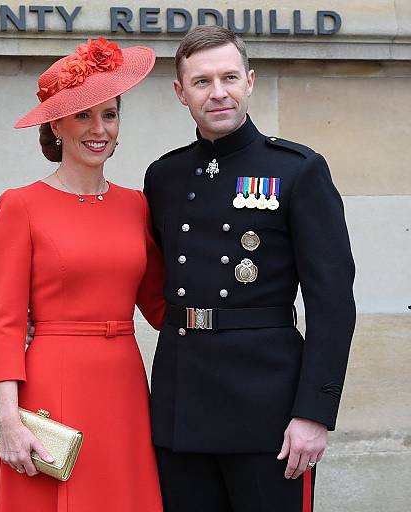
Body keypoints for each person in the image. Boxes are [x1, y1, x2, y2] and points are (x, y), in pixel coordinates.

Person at [143, 26, 356, 512]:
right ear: (181, 92)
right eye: (201, 82)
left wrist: (314, 413)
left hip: (270, 412)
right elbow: (144, 273)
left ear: (250, 82)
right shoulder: (165, 176)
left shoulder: (297, 169)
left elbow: (333, 305)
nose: (218, 93)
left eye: (229, 77)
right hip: (182, 402)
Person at [0, 37, 165, 512]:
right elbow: (6, 321)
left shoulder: (136, 205)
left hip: (124, 382)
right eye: (83, 115)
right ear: (57, 126)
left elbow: (163, 307)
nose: (98, 129)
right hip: (52, 384)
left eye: (110, 114)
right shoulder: (20, 205)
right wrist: (9, 419)